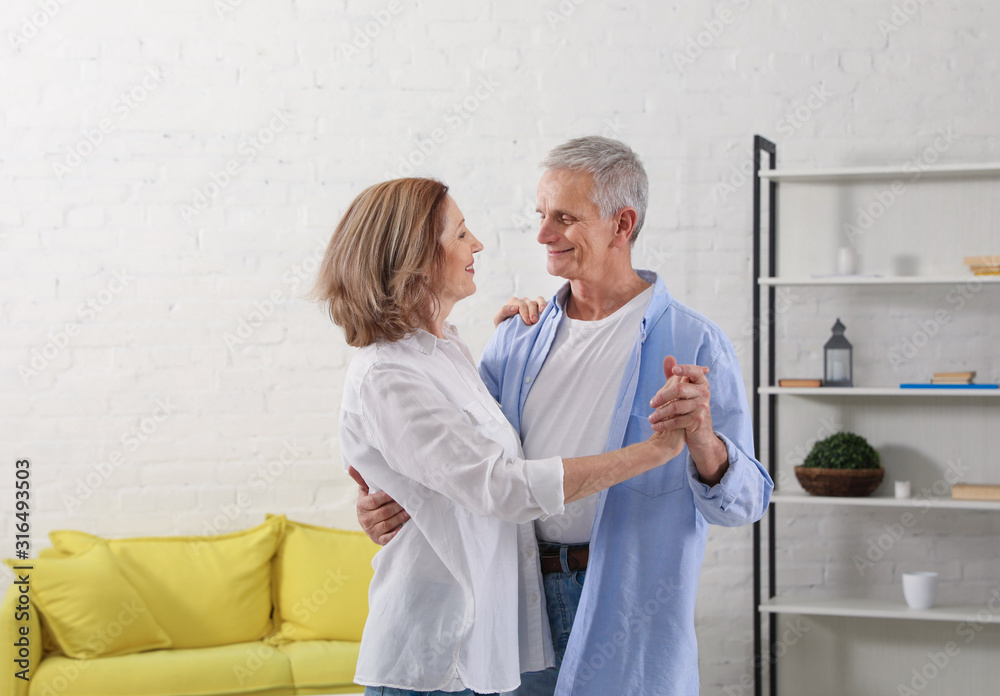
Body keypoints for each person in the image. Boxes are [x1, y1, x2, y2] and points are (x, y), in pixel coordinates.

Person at [356, 138, 774, 696]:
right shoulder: (516, 339)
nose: (543, 235)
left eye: (564, 218)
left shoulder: (695, 343)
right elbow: (462, 461)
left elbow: (746, 503)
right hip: (518, 599)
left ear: (622, 224)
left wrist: (704, 443)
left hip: (622, 605)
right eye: (541, 215)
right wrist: (386, 497)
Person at [312, 176, 691, 696]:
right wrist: (652, 452)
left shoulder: (449, 350)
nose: (477, 245)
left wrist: (517, 344)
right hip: (432, 658)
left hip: (484, 646)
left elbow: (456, 469)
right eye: (461, 234)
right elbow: (500, 486)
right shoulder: (387, 374)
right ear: (418, 256)